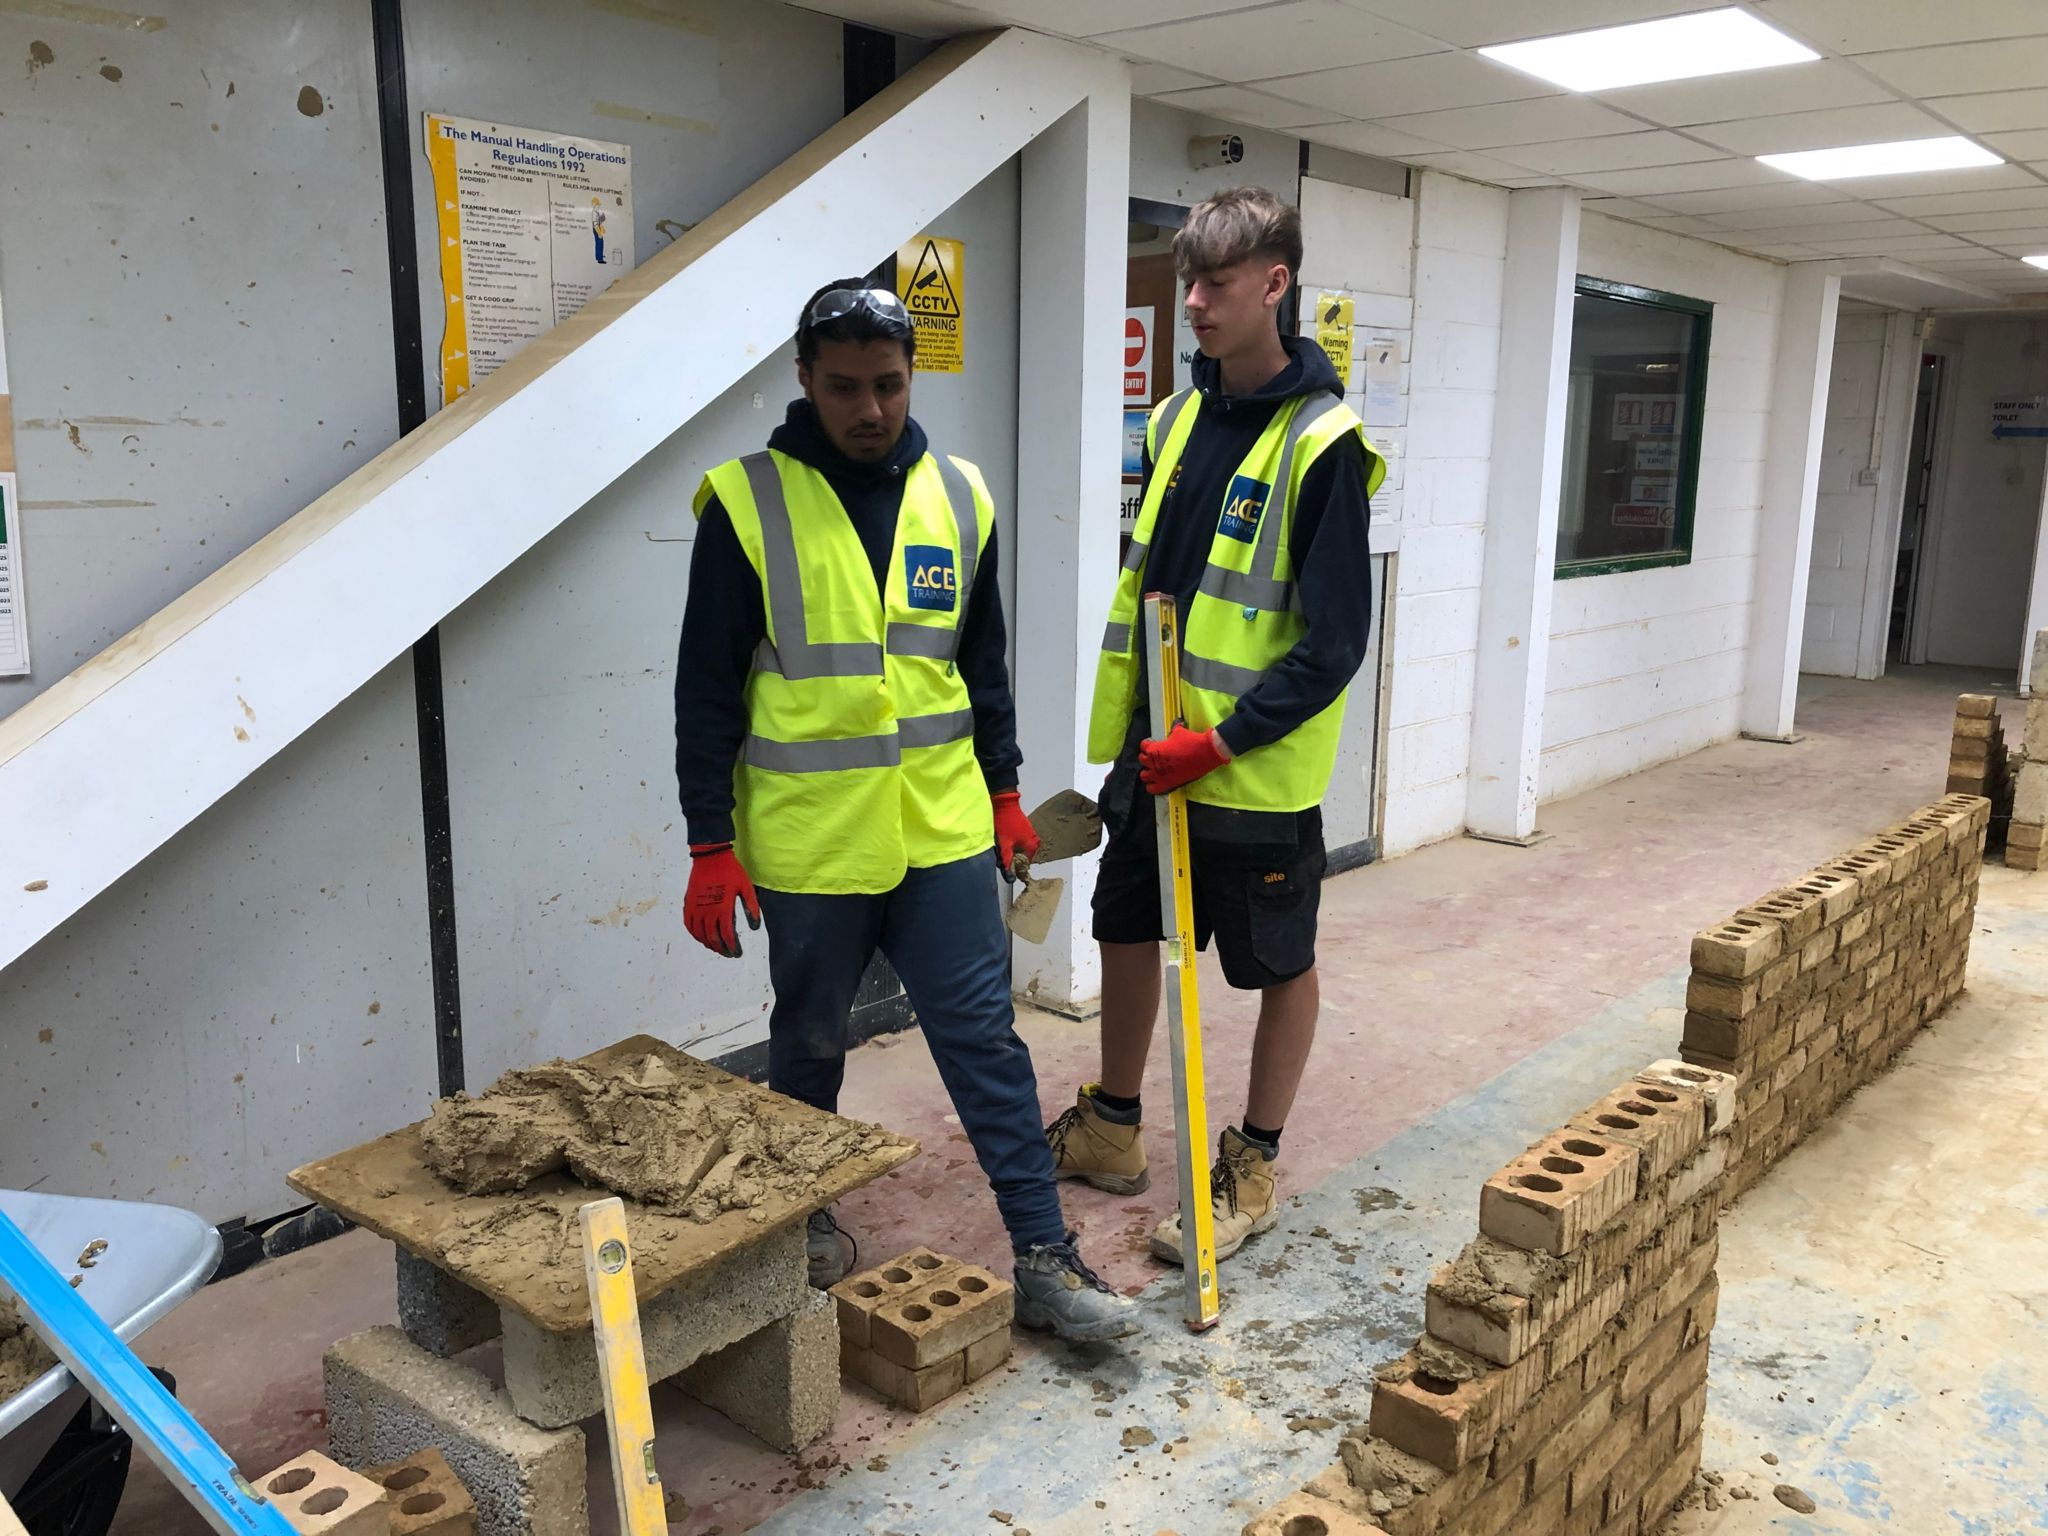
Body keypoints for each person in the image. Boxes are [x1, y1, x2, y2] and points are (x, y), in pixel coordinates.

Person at [674, 277, 1136, 1342]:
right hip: (808, 839)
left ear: (910, 375)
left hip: (941, 829)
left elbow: (983, 666)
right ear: (804, 380)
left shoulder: (961, 496)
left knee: (981, 1038)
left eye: (886, 385)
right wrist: (709, 841)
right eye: (843, 388)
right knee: (806, 1041)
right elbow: (705, 690)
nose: (868, 409)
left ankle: (1042, 1255)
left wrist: (1009, 790)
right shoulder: (746, 504)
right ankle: (800, 1224)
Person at [1045, 188, 1386, 1267]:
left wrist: (1219, 742)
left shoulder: (1322, 443)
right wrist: (1153, 739)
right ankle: (1112, 1123)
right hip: (1155, 758)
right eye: (1186, 281)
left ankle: (1254, 1159)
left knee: (1275, 964)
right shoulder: (1175, 420)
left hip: (1248, 779)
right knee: (1124, 925)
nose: (1192, 302)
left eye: (1215, 283)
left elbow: (1331, 645)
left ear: (1274, 285)